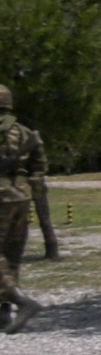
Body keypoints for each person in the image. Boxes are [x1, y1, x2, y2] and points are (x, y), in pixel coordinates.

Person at [0, 85, 46, 334]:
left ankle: (21, 302)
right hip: (21, 195)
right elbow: (39, 167)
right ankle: (3, 312)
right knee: (11, 256)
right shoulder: (24, 132)